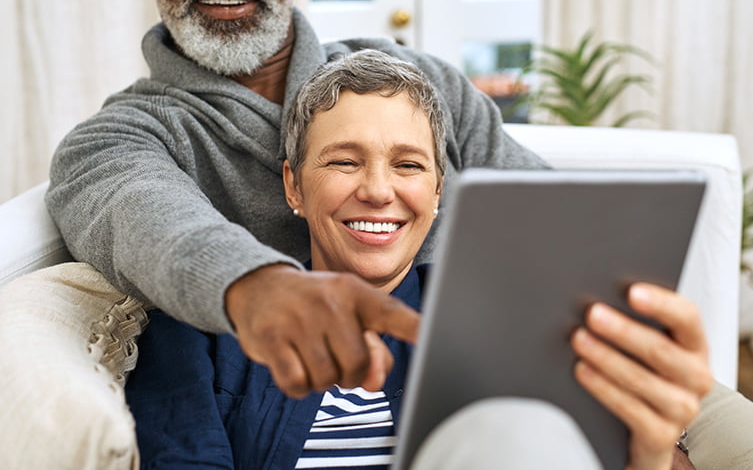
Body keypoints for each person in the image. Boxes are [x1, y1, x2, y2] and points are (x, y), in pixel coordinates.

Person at [44, 0, 545, 402]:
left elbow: (547, 214)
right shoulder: (116, 139)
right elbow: (150, 221)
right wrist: (258, 286)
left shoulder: (422, 80)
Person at [124, 50, 710, 469]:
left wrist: (651, 457)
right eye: (344, 162)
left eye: (407, 165)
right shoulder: (199, 327)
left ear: (437, 192)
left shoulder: (500, 324)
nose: (379, 191)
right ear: (294, 187)